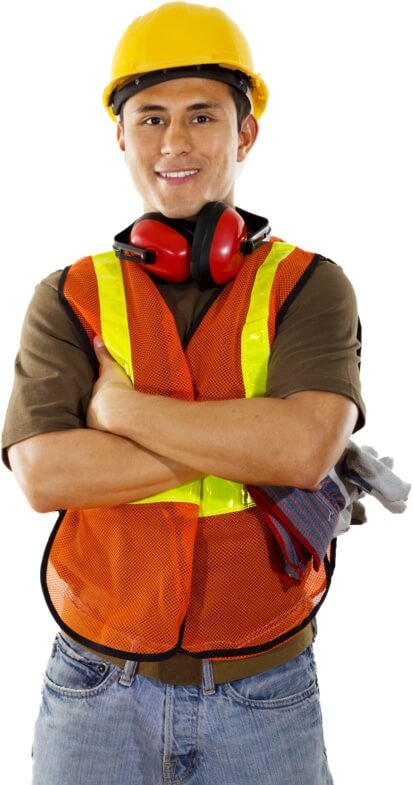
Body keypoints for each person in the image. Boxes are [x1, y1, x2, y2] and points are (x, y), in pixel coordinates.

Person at [2, 3, 366, 784]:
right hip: (94, 683)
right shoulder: (68, 295)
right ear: (122, 136)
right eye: (151, 118)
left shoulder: (308, 285)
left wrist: (122, 413)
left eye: (202, 115)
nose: (174, 141)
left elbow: (302, 449)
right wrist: (249, 443)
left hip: (265, 685)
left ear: (245, 133)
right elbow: (45, 474)